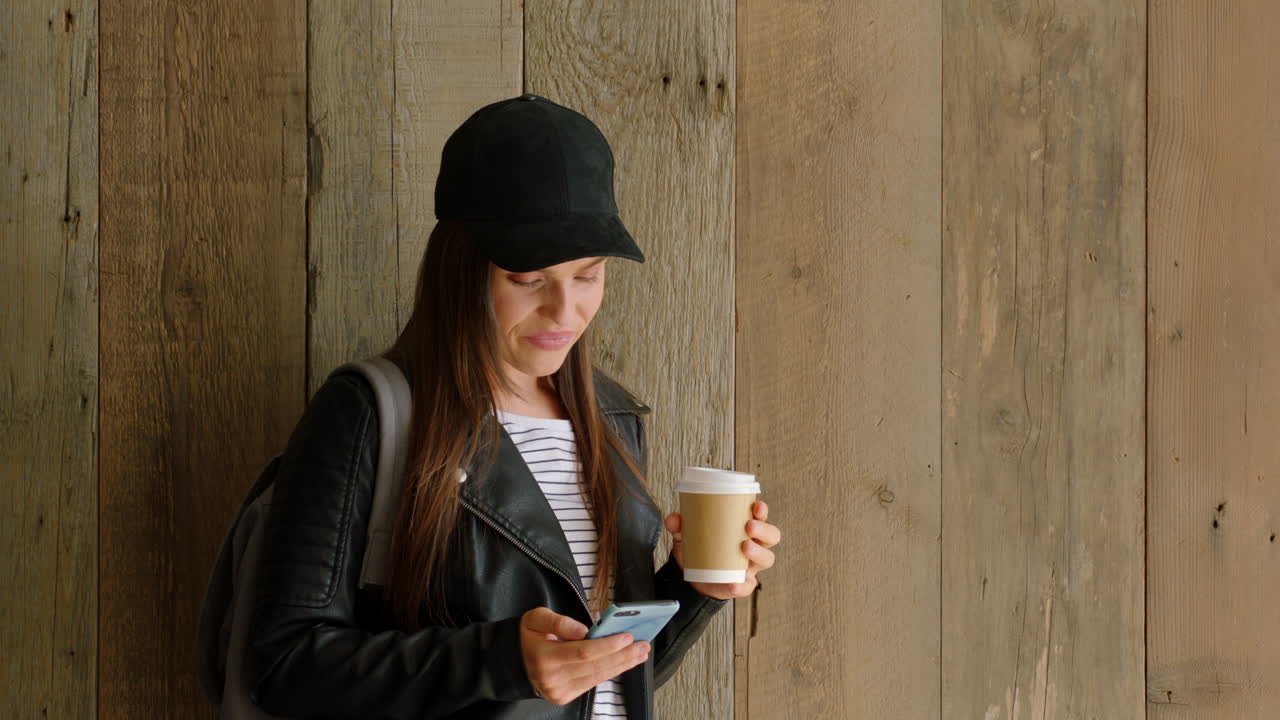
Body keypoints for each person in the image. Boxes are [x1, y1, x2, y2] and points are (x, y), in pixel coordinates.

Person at [247, 94, 781, 719]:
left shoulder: (611, 420)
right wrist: (500, 662)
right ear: (462, 269)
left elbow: (598, 684)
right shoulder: (368, 411)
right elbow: (283, 665)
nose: (565, 312)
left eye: (588, 275)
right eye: (529, 281)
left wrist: (694, 588)